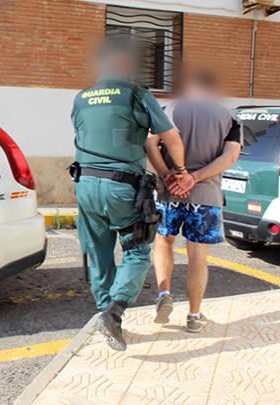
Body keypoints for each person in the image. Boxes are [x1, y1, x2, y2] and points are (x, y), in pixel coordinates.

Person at [71, 41, 187, 351]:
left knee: (98, 250)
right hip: (121, 187)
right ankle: (115, 313)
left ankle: (104, 312)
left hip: (84, 184)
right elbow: (170, 137)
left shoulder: (81, 98)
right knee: (136, 249)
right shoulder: (136, 94)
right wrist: (179, 169)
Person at [145, 69, 242, 333]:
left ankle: (164, 294)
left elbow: (150, 144)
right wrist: (195, 177)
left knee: (164, 242)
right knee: (197, 254)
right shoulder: (229, 116)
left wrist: (167, 175)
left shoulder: (169, 108)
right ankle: (194, 314)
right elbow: (230, 157)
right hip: (206, 195)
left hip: (169, 193)